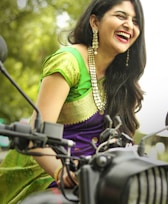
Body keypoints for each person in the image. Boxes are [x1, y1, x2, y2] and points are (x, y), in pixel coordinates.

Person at [0, 0, 146, 203]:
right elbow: (36, 134)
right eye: (121, 16)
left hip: (94, 180)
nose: (129, 25)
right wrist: (62, 173)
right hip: (46, 175)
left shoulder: (122, 80)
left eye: (136, 21)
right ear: (95, 22)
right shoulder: (69, 62)